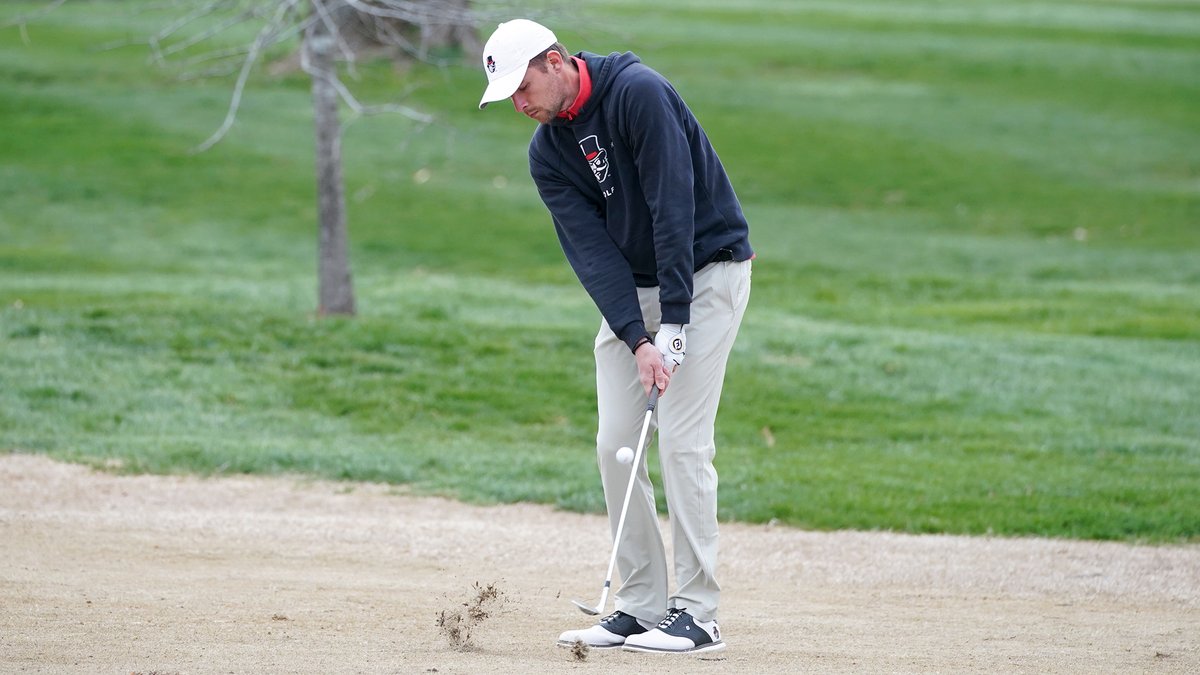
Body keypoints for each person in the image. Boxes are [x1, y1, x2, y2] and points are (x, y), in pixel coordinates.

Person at [478, 19, 753, 655]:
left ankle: (698, 613)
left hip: (706, 271)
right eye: (509, 97)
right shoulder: (546, 152)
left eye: (523, 87)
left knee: (682, 443)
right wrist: (638, 338)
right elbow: (593, 254)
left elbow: (672, 205)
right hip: (637, 290)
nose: (520, 105)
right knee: (615, 444)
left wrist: (676, 323)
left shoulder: (639, 93)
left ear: (554, 61)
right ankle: (639, 603)